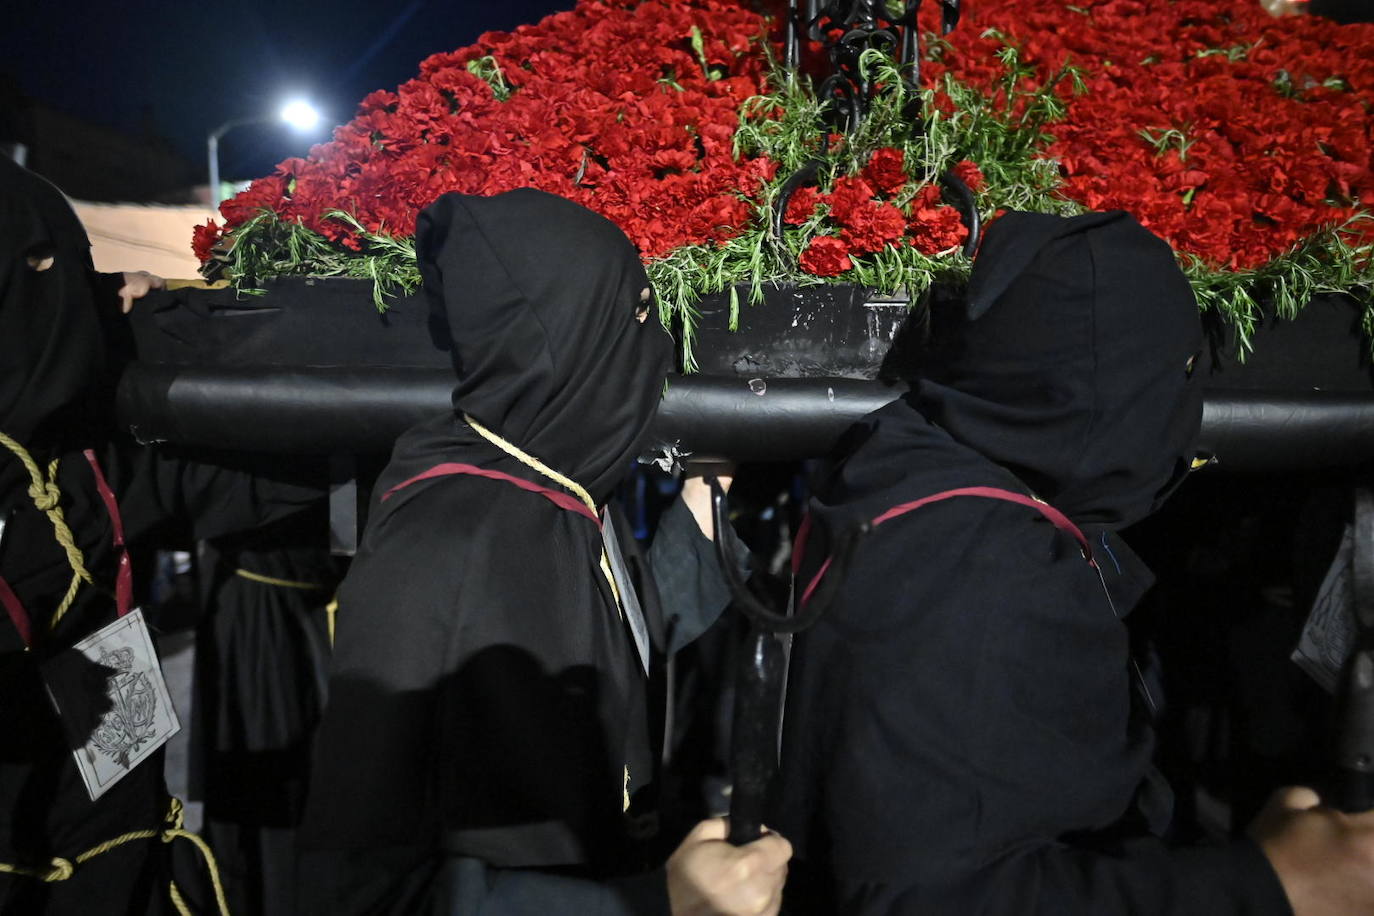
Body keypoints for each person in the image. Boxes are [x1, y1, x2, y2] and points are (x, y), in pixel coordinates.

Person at [773, 209, 1374, 914]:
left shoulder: (919, 481)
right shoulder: (976, 573)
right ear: (1096, 386)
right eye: (1175, 375)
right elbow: (932, 899)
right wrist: (1269, 887)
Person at [298, 188, 792, 915]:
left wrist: (709, 487)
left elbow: (632, 643)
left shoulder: (555, 492)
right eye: (638, 317)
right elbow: (376, 884)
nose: (656, 348)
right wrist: (667, 902)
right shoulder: (452, 538)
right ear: (573, 341)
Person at [0, 156, 324, 914]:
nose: (89, 292)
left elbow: (263, 483)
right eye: (47, 267)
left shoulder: (90, 456)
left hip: (126, 869)